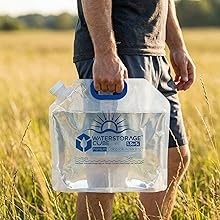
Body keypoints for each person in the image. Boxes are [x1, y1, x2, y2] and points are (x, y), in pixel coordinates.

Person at [73, 0, 196, 219]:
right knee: (108, 166)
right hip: (120, 51)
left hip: (154, 53)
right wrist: (105, 54)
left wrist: (177, 45)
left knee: (173, 156)